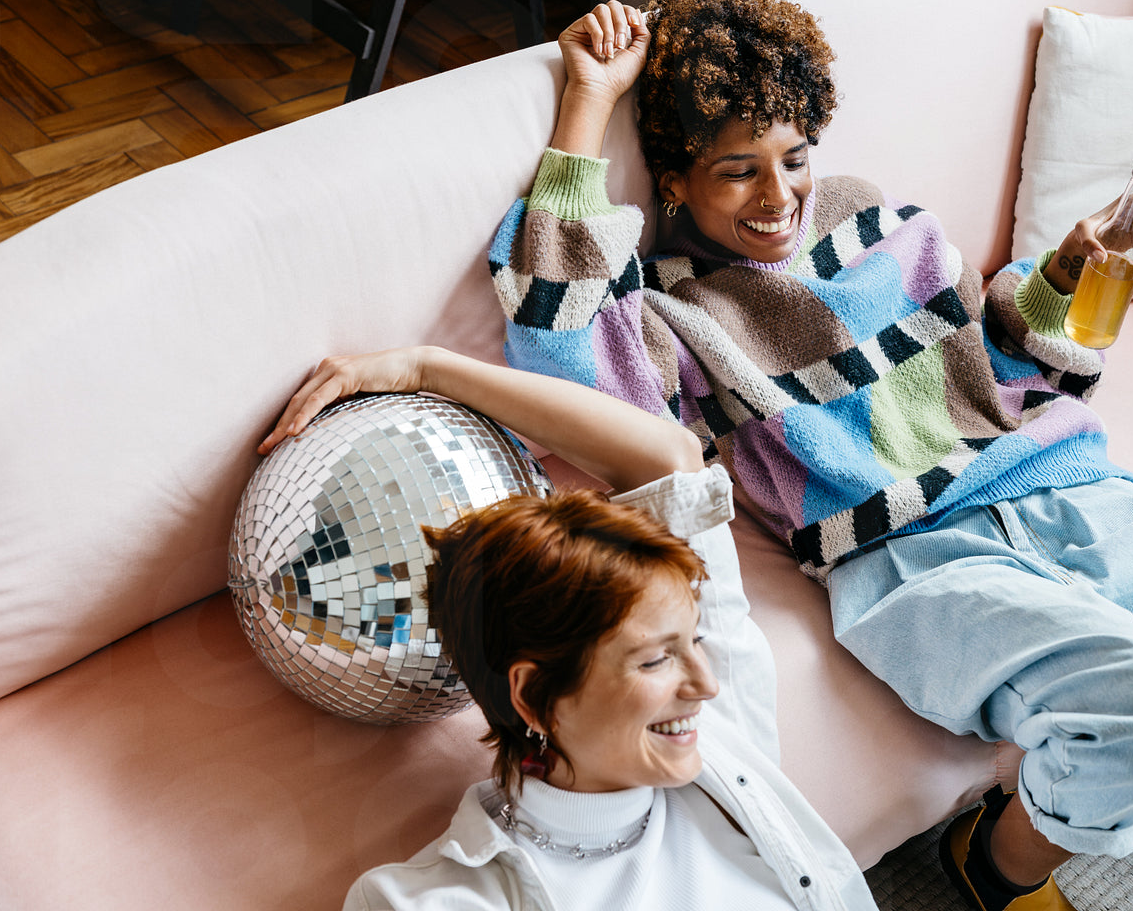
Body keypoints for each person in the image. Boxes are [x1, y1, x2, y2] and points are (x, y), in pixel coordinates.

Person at [478, 0, 1133, 911]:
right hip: (913, 561)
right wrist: (588, 102)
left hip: (1081, 496)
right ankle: (996, 867)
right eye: (736, 172)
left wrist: (1066, 272)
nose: (777, 195)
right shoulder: (672, 306)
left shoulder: (884, 223)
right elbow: (565, 357)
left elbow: (1005, 362)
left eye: (792, 158)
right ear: (676, 181)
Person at [259, 350, 878, 910]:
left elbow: (667, 459)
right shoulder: (435, 901)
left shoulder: (715, 738)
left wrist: (427, 369)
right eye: (655, 661)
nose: (707, 683)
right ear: (534, 695)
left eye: (693, 640)